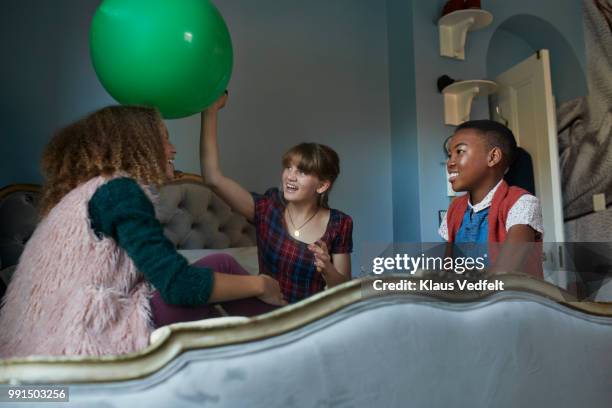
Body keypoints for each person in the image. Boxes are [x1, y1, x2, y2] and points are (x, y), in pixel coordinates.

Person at [0, 105, 285, 359]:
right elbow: (179, 285)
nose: (173, 149)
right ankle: (287, 346)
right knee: (220, 265)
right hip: (81, 339)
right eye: (164, 138)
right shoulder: (119, 191)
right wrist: (262, 284)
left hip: (32, 347)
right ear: (139, 144)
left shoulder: (81, 197)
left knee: (210, 301)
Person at [201, 93, 353, 303]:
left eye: (301, 171)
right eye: (288, 167)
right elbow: (213, 178)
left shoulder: (340, 223)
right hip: (268, 312)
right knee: (222, 262)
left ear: (322, 185)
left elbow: (345, 290)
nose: (290, 176)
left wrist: (327, 268)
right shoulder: (268, 207)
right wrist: (210, 112)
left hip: (308, 317)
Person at [439, 120, 544, 277]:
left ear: (493, 157)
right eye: (449, 155)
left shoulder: (522, 203)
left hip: (510, 299)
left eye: (460, 151)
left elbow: (503, 275)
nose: (450, 162)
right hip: (466, 298)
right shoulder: (454, 210)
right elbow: (446, 272)